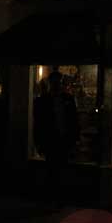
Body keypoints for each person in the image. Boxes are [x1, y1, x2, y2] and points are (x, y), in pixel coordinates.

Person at [33, 71, 79, 204]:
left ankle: (58, 196)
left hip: (63, 139)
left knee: (61, 169)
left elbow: (73, 120)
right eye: (54, 82)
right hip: (51, 140)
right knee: (52, 169)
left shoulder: (67, 99)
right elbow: (39, 123)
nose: (56, 85)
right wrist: (39, 142)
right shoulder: (43, 101)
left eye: (58, 82)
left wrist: (74, 139)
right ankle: (53, 196)